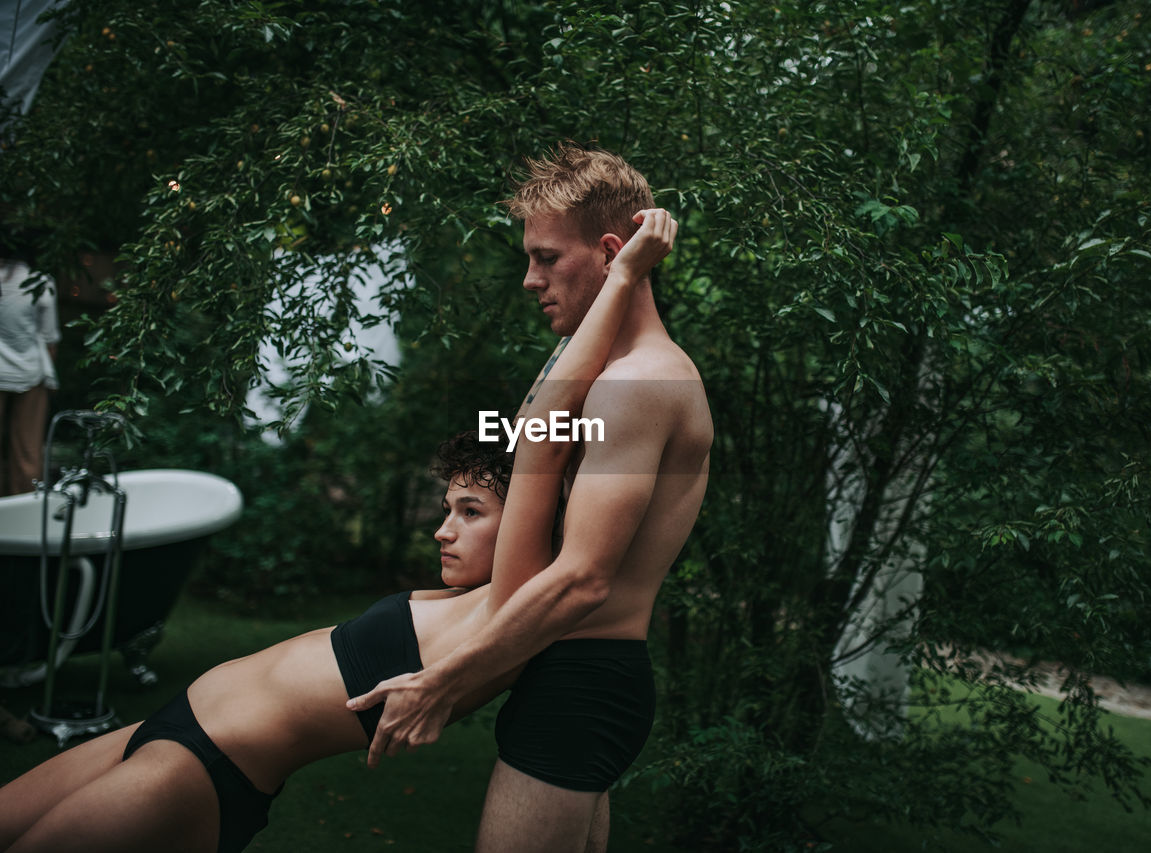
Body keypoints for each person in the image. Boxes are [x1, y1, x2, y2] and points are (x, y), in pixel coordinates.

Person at [0, 208, 676, 853]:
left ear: (537, 519)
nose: (445, 530)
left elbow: (543, 423)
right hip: (170, 723)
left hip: (202, 766)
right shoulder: (474, 601)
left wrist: (620, 278)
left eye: (473, 512)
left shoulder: (514, 602)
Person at [347, 144, 714, 852]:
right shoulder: (602, 372)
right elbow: (526, 437)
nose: (528, 279)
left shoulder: (639, 386)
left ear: (611, 251)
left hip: (583, 684)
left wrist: (442, 681)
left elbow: (583, 578)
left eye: (546, 258)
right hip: (568, 677)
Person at [0, 256, 60, 496]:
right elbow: (49, 339)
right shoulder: (41, 282)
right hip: (31, 373)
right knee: (28, 451)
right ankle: (23, 509)